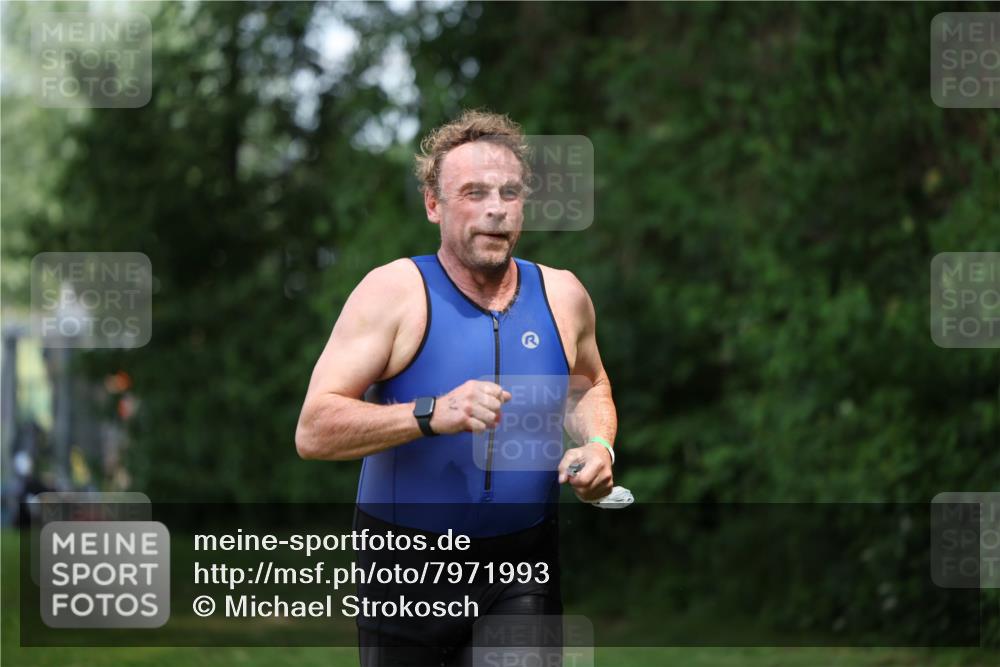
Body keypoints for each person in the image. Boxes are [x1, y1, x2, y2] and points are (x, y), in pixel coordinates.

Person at [295, 109, 618, 666]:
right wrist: (430, 414)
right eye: (473, 192)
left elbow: (589, 388)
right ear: (433, 204)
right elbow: (315, 430)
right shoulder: (393, 292)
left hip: (523, 566)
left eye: (509, 192)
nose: (495, 207)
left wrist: (598, 447)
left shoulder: (563, 296)